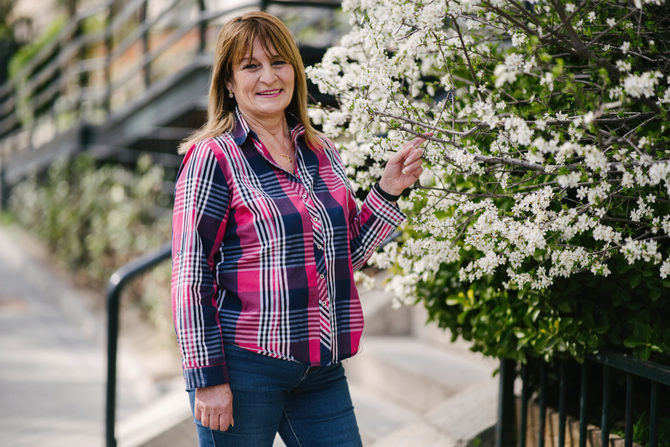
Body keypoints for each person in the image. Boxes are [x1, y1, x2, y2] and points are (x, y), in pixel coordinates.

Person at [171, 10, 426, 447]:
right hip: (245, 367)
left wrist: (386, 192)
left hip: (320, 370)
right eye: (251, 66)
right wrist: (207, 377)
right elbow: (190, 277)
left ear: (295, 71)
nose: (269, 77)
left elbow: (347, 254)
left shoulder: (320, 150)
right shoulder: (213, 158)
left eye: (279, 62)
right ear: (229, 83)